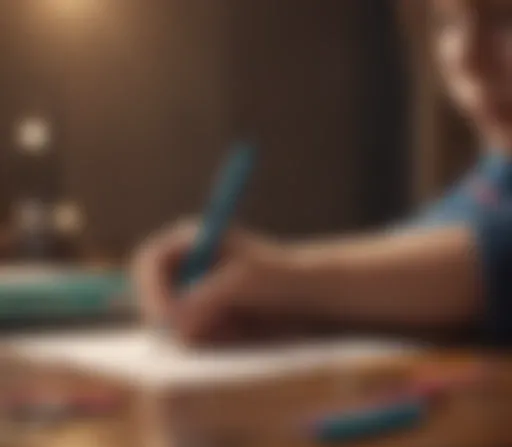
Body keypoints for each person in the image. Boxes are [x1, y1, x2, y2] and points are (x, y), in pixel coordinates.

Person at [133, 0, 512, 344]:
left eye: (505, 18)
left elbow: (493, 259)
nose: (466, 57)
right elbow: (434, 261)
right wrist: (285, 304)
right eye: (447, 21)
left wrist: (284, 275)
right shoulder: (492, 177)